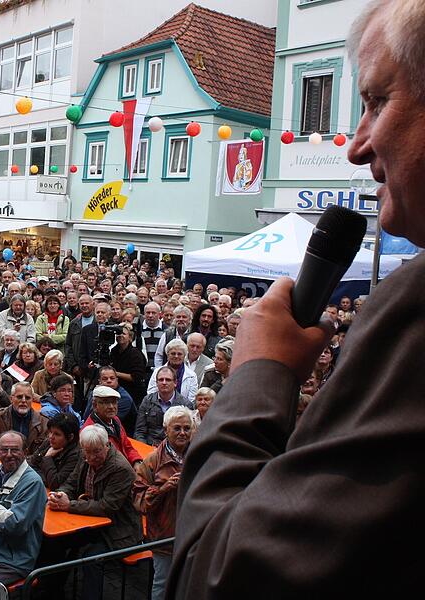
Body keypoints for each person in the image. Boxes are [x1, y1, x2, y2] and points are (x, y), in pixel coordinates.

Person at [168, 6, 425, 596]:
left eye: (377, 101)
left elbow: (218, 573)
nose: (357, 146)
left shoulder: (413, 309)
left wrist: (260, 373)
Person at [49, 424, 142, 600]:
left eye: (97, 452)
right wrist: (60, 494)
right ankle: (53, 591)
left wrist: (69, 505)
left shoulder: (120, 468)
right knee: (54, 544)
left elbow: (107, 507)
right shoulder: (85, 457)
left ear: (107, 446)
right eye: (87, 452)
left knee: (92, 559)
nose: (92, 457)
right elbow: (72, 481)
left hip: (118, 530)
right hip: (91, 523)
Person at [0, 431, 47, 588]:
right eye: (4, 450)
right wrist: (0, 519)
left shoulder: (33, 483)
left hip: (12, 560)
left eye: (15, 450)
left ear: (25, 452)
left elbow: (14, 525)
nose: (9, 454)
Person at [135, 406, 196, 600]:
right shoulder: (152, 461)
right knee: (162, 583)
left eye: (187, 428)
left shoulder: (200, 455)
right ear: (166, 429)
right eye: (177, 428)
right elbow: (138, 500)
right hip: (164, 536)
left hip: (193, 536)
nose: (183, 433)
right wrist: (163, 489)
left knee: (189, 583)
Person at [0, 382, 48, 458]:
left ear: (32, 400)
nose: (23, 401)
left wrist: (25, 460)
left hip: (30, 465)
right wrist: (11, 456)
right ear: (11, 398)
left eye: (28, 398)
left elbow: (46, 450)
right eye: (19, 397)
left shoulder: (43, 422)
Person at [135, 366, 195, 446]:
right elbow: (139, 431)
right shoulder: (147, 401)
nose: (164, 382)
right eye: (160, 380)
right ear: (156, 383)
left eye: (168, 380)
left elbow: (189, 435)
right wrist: (143, 448)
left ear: (175, 383)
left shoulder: (185, 404)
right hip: (149, 447)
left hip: (175, 448)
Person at [82, 386, 141, 466]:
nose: (111, 407)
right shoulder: (90, 431)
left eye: (114, 402)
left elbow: (127, 446)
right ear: (95, 405)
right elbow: (98, 463)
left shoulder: (115, 420)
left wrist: (136, 461)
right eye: (106, 402)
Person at [28, 412, 81, 489]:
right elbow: (30, 463)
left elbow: (55, 483)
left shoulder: (75, 455)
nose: (51, 437)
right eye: (50, 432)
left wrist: (47, 458)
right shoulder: (49, 442)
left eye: (57, 434)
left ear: (70, 437)